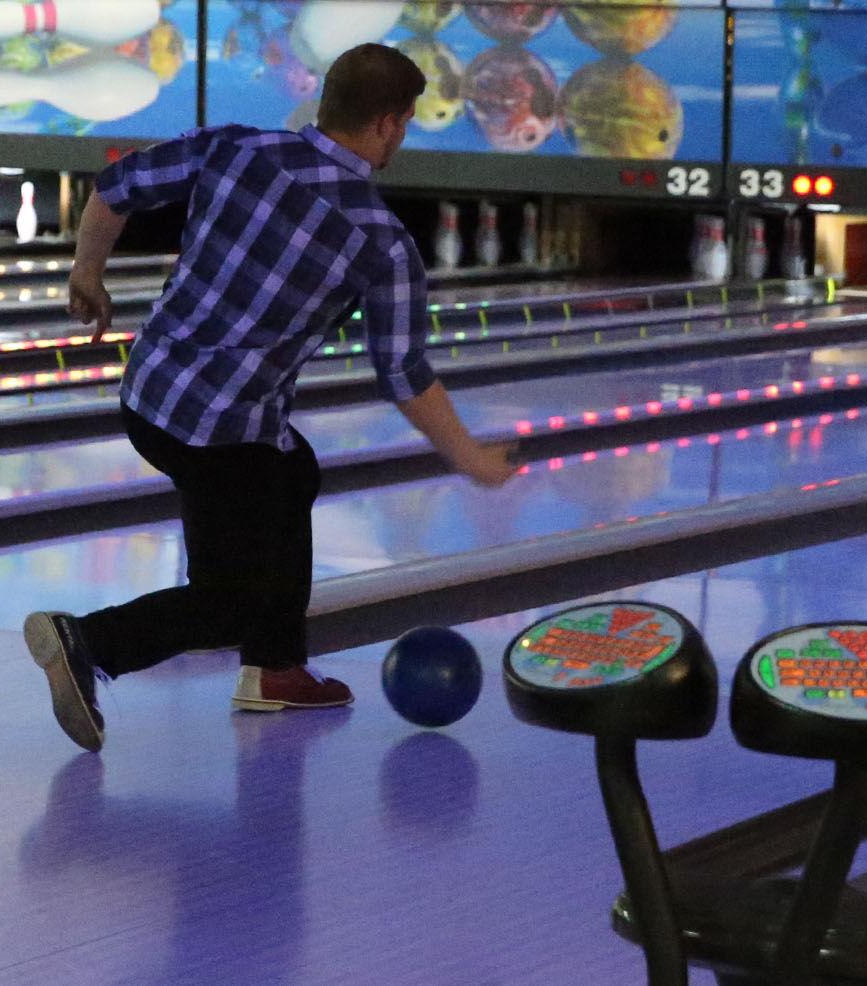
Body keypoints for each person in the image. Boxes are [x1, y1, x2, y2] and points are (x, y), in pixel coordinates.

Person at [25, 44, 516, 753]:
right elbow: (403, 371)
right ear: (385, 124)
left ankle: (276, 671)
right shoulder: (382, 242)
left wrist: (87, 274)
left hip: (150, 394)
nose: (401, 138)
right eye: (404, 124)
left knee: (292, 471)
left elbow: (114, 187)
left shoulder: (236, 148)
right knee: (231, 599)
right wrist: (469, 457)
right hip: (220, 431)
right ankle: (89, 642)